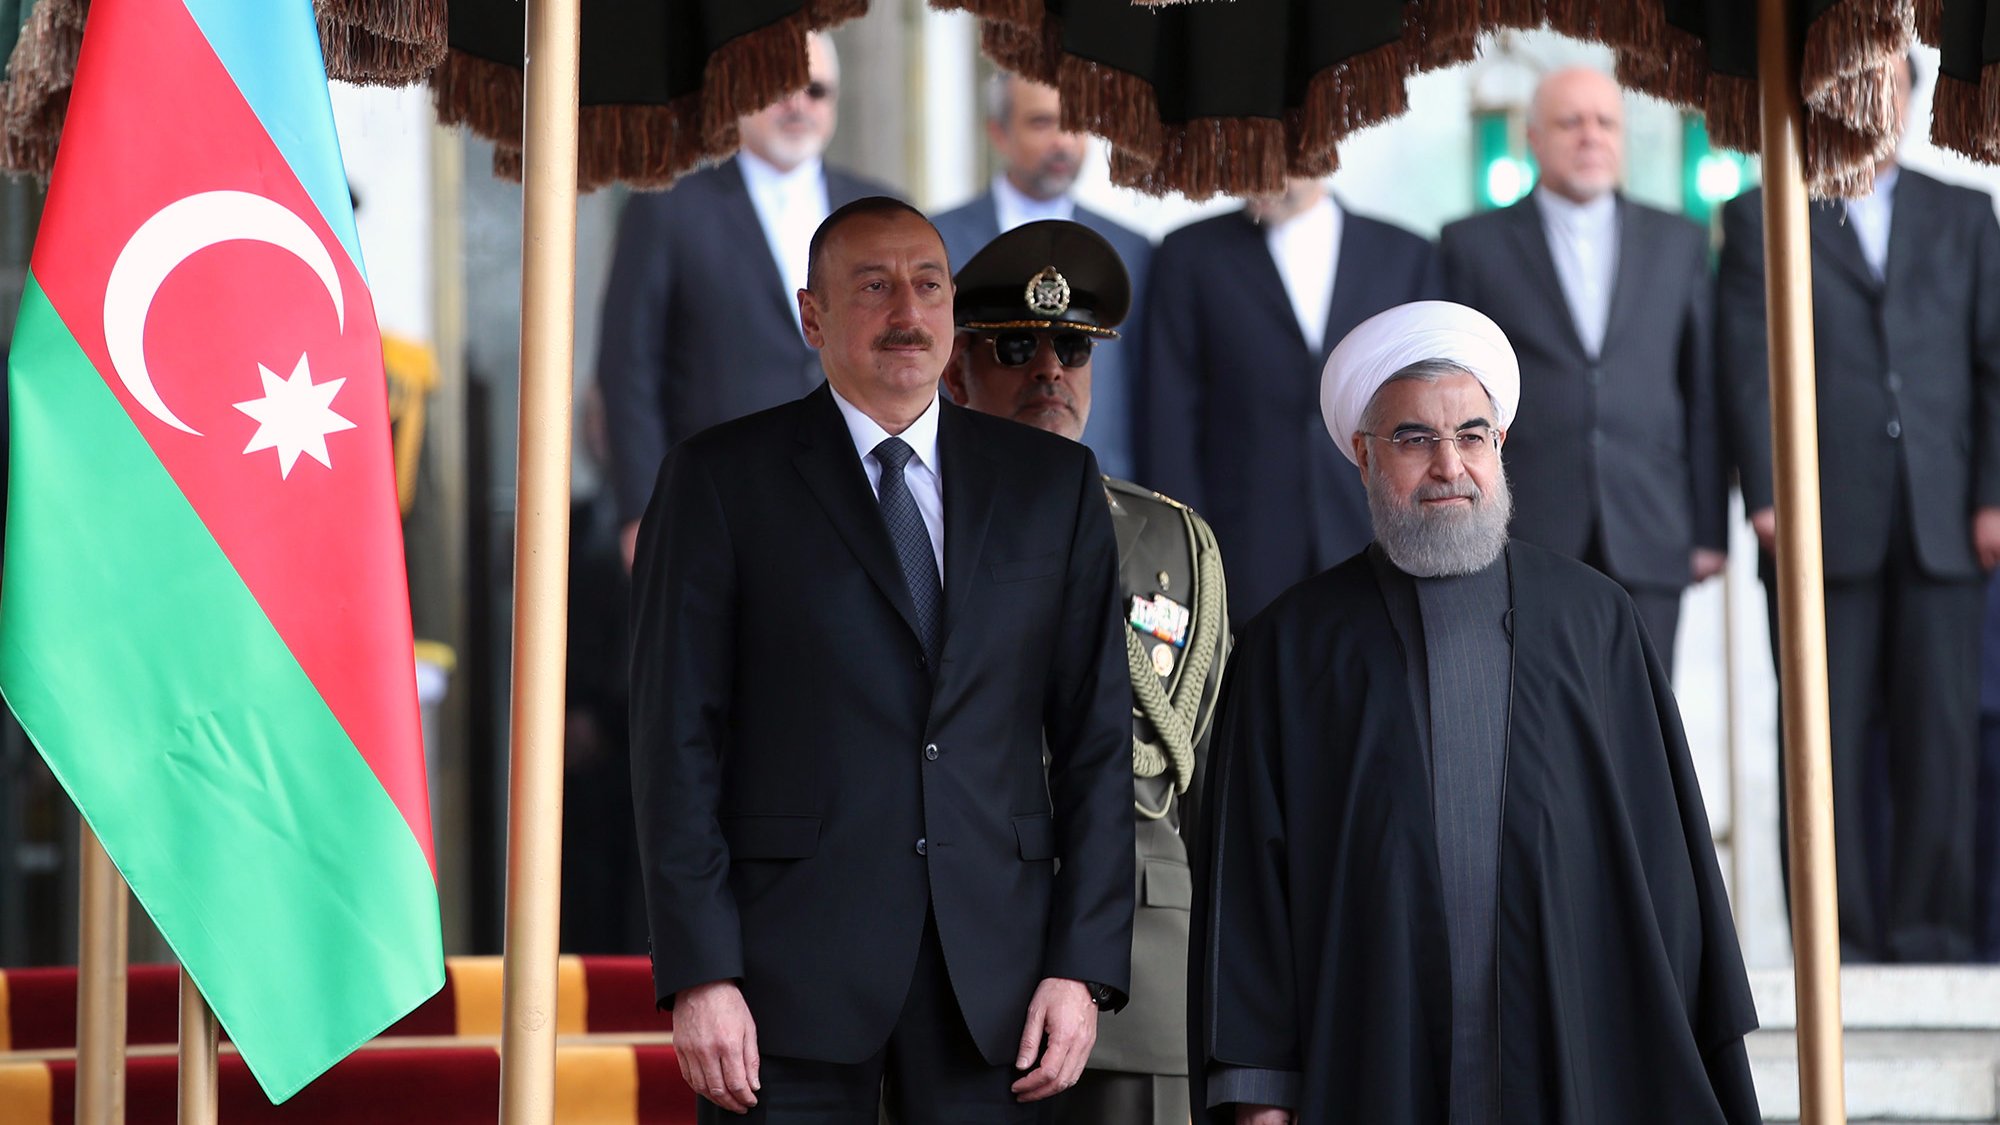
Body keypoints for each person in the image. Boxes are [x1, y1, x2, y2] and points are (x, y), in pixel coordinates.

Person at [1190, 301, 1760, 1125]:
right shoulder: (1292, 647)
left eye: (1473, 435)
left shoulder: (1595, 621)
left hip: (1576, 1058)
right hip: (1367, 1064)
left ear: (1502, 447)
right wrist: (1259, 1094)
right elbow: (1250, 894)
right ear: (1363, 455)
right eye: (1415, 438)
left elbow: (1664, 885)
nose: (1448, 463)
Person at [631, 197, 1135, 1122]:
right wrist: (701, 970)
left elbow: (1098, 739)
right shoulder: (719, 479)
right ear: (811, 315)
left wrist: (1083, 965)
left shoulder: (1052, 486)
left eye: (928, 285)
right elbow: (675, 742)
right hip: (784, 976)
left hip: (998, 980)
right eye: (873, 286)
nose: (908, 312)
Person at [942, 220, 1228, 1125]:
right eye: (1016, 348)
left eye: (1073, 347)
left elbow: (1214, 797)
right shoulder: (908, 536)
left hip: (1145, 976)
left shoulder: (1176, 544)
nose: (1051, 372)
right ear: (957, 372)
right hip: (956, 963)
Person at [1719, 52, 2000, 962]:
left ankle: (1934, 936)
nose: (1873, 105)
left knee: (1943, 739)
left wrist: (1994, 495)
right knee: (1818, 741)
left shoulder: (1965, 213)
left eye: (1891, 89)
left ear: (1912, 101)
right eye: (1855, 89)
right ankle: (1831, 943)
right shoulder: (1760, 214)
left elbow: (1995, 365)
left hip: (1946, 517)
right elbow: (1746, 366)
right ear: (1826, 101)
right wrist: (1766, 494)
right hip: (1814, 523)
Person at [1438, 67, 1725, 669]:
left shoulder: (1679, 241)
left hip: (1649, 523)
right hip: (1524, 525)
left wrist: (1709, 529)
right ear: (1534, 140)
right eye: (1571, 122)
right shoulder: (1472, 245)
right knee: (1531, 720)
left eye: (1605, 122)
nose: (1590, 136)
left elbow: (1702, 391)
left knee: (1643, 720)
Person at [597, 32, 898, 567]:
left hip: (865, 497)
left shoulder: (881, 209)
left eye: (815, 90)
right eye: (778, 86)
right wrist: (640, 510)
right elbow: (627, 366)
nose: (797, 104)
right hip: (716, 502)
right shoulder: (669, 207)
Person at [1142, 176, 1439, 622]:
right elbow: (1167, 419)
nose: (1260, 167)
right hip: (1240, 549)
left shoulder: (1406, 255)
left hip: (1376, 535)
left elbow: (1430, 407)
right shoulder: (1188, 255)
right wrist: (1185, 552)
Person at [931, 73, 1153, 480]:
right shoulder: (936, 240)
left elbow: (1150, 394)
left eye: (1075, 125)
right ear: (998, 132)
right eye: (1041, 122)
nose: (1063, 141)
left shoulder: (1133, 249)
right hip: (970, 483)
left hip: (1104, 489)